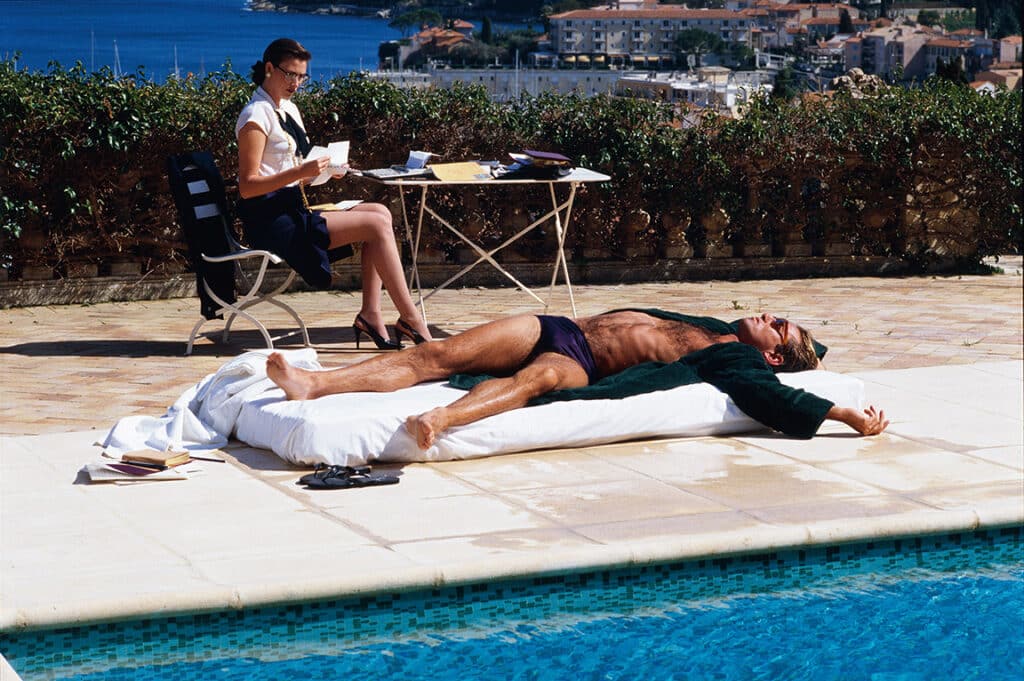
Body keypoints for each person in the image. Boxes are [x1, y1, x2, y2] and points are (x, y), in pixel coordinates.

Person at [266, 309, 889, 449]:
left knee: (535, 383)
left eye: (780, 326)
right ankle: (314, 385)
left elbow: (770, 400)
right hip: (556, 325)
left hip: (579, 363)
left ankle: (439, 421)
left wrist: (844, 415)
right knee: (437, 354)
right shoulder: (717, 326)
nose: (769, 315)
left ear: (775, 355)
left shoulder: (738, 363)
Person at [235, 37, 431, 349]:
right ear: (269, 69)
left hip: (292, 208)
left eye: (302, 76)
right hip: (272, 221)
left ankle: (371, 313)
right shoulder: (255, 116)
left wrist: (324, 172)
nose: (296, 83)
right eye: (290, 75)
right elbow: (248, 186)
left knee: (379, 213)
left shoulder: (287, 110)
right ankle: (411, 318)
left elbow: (291, 175)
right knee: (376, 225)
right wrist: (302, 172)